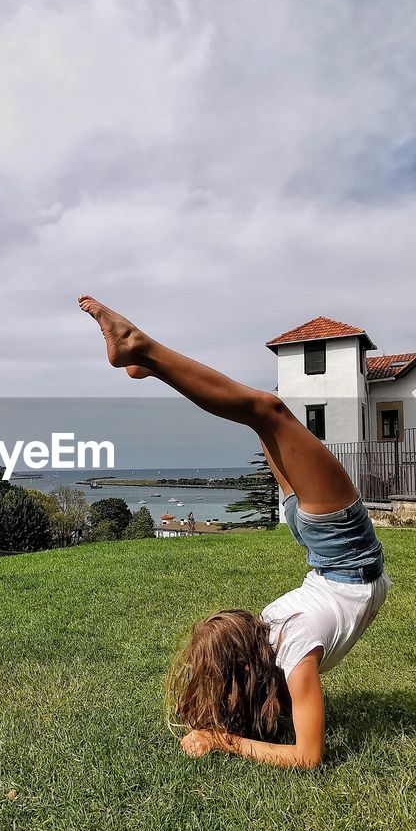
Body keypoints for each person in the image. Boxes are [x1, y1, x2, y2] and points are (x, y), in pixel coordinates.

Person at [79, 295, 390, 769]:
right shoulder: (296, 651)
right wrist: (225, 741)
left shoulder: (276, 655)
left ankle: (147, 359)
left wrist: (222, 727)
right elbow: (308, 758)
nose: (251, 621)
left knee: (262, 414)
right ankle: (139, 348)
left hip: (321, 556)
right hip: (342, 553)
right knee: (266, 410)